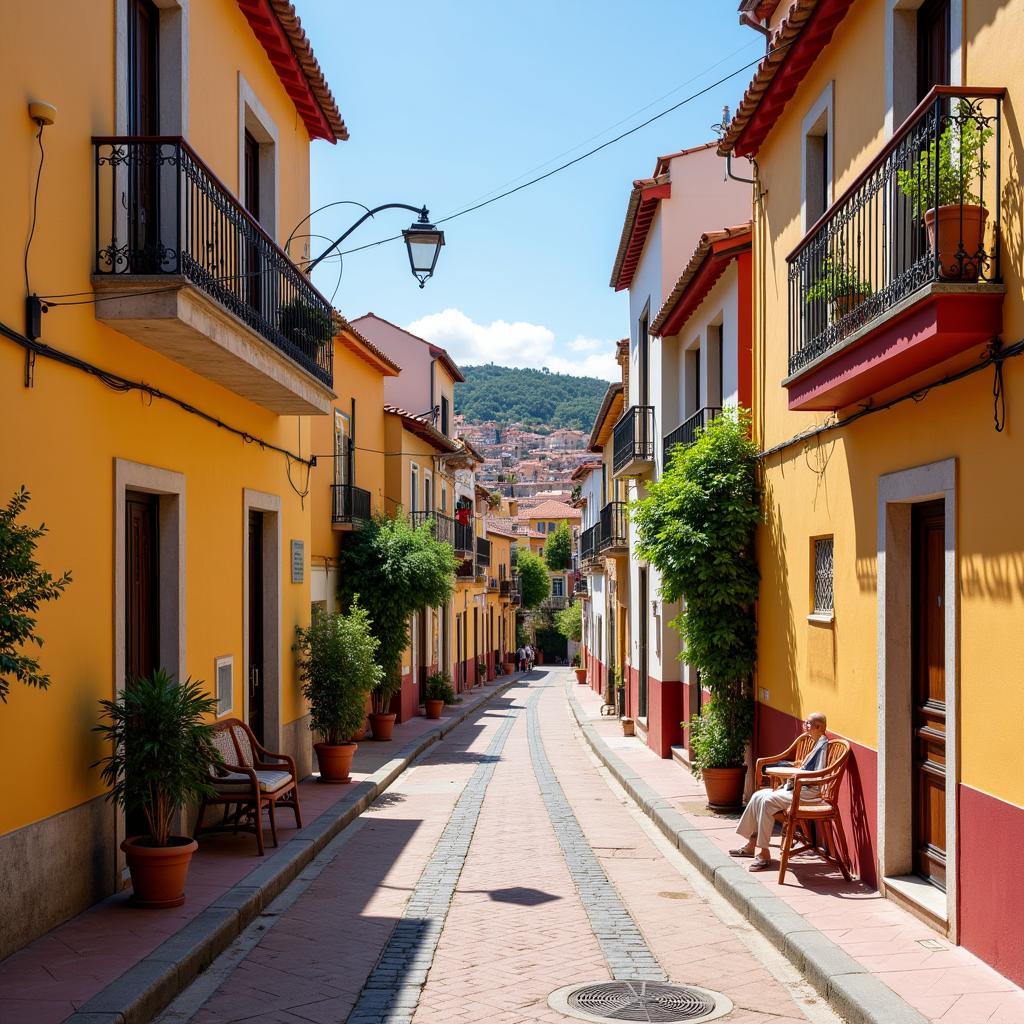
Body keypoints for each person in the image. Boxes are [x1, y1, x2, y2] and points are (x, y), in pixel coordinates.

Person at [730, 712, 829, 871]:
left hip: (807, 792)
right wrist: (795, 769)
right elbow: (805, 768)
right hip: (798, 787)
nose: (805, 726)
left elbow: (817, 775)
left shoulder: (823, 746)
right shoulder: (815, 743)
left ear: (819, 727)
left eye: (809, 724)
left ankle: (763, 853)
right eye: (805, 723)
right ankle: (751, 844)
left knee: (767, 802)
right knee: (758, 796)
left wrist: (795, 775)